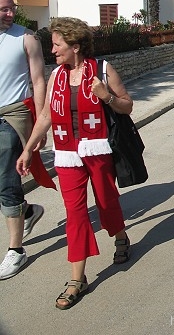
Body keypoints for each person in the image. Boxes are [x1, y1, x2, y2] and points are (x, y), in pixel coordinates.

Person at [16, 17, 132, 309]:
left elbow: (127, 105)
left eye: (57, 44)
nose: (52, 50)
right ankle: (77, 278)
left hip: (98, 149)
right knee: (75, 214)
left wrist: (107, 98)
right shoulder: (57, 76)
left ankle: (120, 235)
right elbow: (46, 116)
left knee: (106, 202)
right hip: (67, 155)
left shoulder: (102, 71)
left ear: (75, 46)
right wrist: (28, 150)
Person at [0, 0, 49, 281]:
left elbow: (39, 80)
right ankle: (28, 212)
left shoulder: (26, 38)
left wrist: (42, 122)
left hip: (12, 116)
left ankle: (16, 250)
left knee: (7, 179)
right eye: (3, 9)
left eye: (11, 7)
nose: (10, 13)